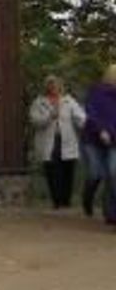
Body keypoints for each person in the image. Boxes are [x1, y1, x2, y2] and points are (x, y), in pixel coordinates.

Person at [31, 75, 86, 209]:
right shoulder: (39, 102)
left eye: (55, 85)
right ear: (46, 87)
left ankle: (66, 201)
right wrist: (49, 117)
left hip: (67, 140)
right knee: (52, 170)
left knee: (68, 170)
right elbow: (35, 120)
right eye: (50, 85)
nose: (53, 87)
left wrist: (89, 126)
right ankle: (56, 201)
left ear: (60, 86)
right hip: (49, 141)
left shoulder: (68, 101)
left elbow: (80, 117)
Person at [83, 65, 116, 223]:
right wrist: (101, 130)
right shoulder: (97, 92)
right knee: (97, 173)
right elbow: (91, 112)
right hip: (94, 139)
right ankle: (87, 197)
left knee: (113, 174)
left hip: (114, 140)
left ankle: (111, 214)